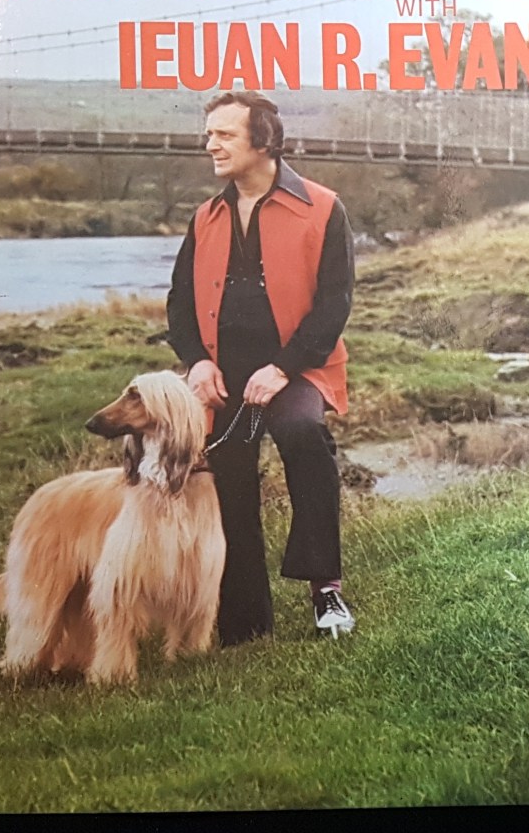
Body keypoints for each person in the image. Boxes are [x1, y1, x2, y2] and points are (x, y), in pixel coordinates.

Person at [166, 90, 356, 646]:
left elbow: (335, 304)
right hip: (223, 374)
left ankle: (326, 590)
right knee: (226, 474)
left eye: (224, 134)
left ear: (264, 141)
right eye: (209, 134)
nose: (211, 145)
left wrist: (282, 368)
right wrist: (197, 362)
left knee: (302, 432)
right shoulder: (206, 217)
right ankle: (245, 619)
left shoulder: (323, 207)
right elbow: (179, 303)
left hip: (298, 368)